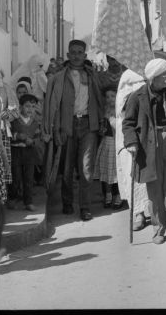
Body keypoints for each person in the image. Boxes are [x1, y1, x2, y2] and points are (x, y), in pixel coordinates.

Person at [123, 58, 166, 244]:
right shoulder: (137, 97)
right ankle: (159, 229)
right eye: (164, 76)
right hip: (149, 147)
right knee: (155, 191)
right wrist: (131, 142)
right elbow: (127, 123)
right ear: (152, 78)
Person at [43, 39, 104, 221]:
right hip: (67, 126)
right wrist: (55, 129)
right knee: (67, 168)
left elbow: (99, 101)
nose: (77, 56)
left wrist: (100, 122)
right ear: (68, 55)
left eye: (80, 53)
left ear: (85, 56)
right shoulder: (58, 78)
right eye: (73, 52)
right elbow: (53, 106)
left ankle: (85, 207)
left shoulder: (92, 76)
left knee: (86, 168)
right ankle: (67, 202)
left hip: (88, 126)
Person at [115, 69, 150, 231]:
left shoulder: (151, 71)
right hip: (129, 137)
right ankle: (138, 213)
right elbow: (121, 110)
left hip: (149, 134)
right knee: (132, 175)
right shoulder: (126, 80)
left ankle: (156, 212)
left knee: (152, 174)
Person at [9, 94, 42, 211]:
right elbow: (10, 135)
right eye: (27, 106)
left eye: (33, 107)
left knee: (28, 178)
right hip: (16, 152)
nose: (30, 109)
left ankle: (28, 202)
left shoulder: (35, 122)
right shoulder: (14, 121)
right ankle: (12, 198)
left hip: (29, 153)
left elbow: (38, 138)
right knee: (16, 177)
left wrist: (33, 141)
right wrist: (20, 136)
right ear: (20, 106)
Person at [93, 87, 122, 209]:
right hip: (107, 143)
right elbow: (101, 131)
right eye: (107, 97)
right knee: (106, 171)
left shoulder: (120, 110)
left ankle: (119, 195)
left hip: (117, 143)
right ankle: (108, 194)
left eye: (112, 96)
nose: (110, 99)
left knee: (117, 172)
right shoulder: (104, 111)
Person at [0, 63, 19, 205]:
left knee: (3, 166)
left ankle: (2, 200)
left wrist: (7, 114)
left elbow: (15, 111)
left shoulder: (6, 89)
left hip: (1, 132)